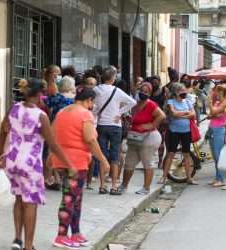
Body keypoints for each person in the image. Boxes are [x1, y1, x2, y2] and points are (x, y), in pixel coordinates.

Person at [0, 79, 72, 250]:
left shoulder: (14, 108)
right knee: (30, 203)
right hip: (30, 163)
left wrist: (0, 155)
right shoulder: (40, 116)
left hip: (11, 160)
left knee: (18, 199)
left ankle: (17, 239)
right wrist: (69, 164)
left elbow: (2, 131)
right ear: (39, 95)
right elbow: (53, 144)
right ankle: (28, 246)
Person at [51, 88, 110, 249]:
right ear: (89, 100)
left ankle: (75, 233)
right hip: (76, 162)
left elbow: (53, 133)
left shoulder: (62, 112)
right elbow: (90, 139)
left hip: (61, 159)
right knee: (69, 199)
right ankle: (61, 235)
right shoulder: (85, 114)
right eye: (92, 103)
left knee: (75, 198)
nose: (92, 106)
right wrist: (103, 160)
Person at [93, 66, 136, 195]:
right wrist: (119, 113)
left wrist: (96, 114)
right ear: (113, 78)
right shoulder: (117, 91)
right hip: (115, 126)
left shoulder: (96, 89)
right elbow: (132, 102)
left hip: (101, 125)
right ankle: (114, 186)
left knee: (102, 155)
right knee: (115, 156)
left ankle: (102, 185)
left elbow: (93, 107)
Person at [119, 82, 166, 194]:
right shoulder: (135, 104)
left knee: (147, 162)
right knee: (129, 162)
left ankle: (146, 188)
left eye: (146, 92)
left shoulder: (151, 104)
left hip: (149, 137)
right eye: (142, 91)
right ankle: (123, 186)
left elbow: (162, 115)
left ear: (149, 94)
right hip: (135, 137)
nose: (143, 93)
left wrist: (151, 125)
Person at [160, 83, 198, 185]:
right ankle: (164, 177)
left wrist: (181, 115)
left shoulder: (188, 101)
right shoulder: (171, 101)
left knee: (186, 154)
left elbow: (193, 114)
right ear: (176, 92)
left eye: (184, 90)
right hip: (174, 131)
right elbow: (173, 113)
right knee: (171, 154)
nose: (184, 93)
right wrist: (186, 113)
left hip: (186, 131)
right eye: (181, 91)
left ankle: (189, 178)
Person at [207, 85, 226, 187]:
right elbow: (213, 114)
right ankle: (217, 177)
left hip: (219, 130)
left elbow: (214, 112)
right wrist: (214, 113)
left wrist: (211, 104)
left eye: (220, 92)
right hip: (212, 129)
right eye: (216, 91)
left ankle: (221, 179)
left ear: (224, 93)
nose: (217, 94)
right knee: (214, 155)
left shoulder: (225, 103)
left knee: (218, 155)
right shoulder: (217, 102)